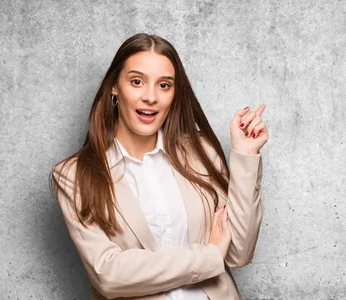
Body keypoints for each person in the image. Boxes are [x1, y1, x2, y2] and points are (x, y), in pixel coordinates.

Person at [51, 33, 268, 300]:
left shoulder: (202, 153)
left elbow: (239, 252)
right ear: (114, 87)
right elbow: (109, 275)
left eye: (164, 85)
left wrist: (245, 155)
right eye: (137, 82)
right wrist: (208, 256)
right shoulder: (74, 175)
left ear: (174, 94)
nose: (150, 97)